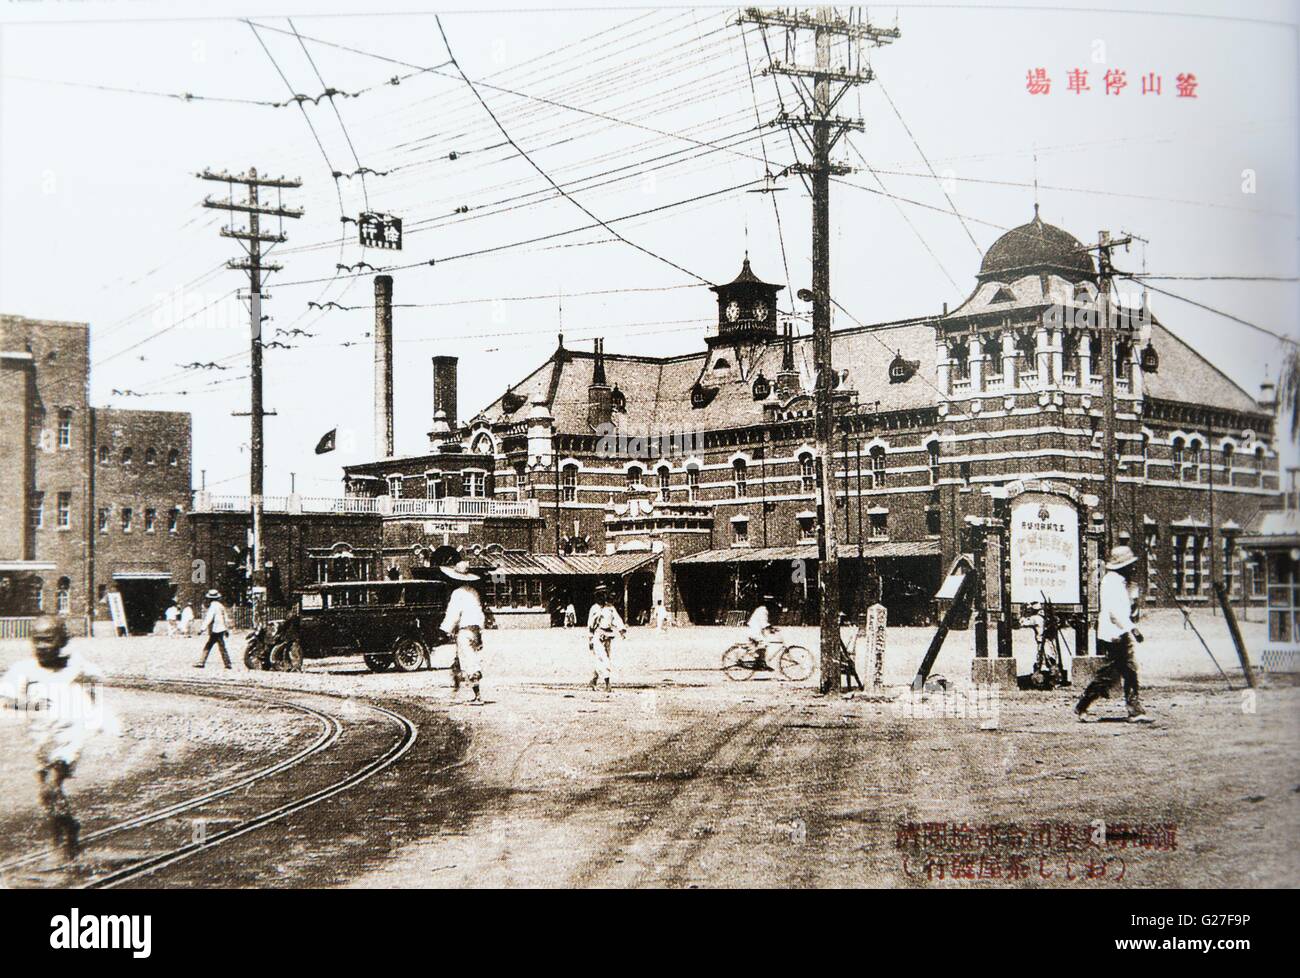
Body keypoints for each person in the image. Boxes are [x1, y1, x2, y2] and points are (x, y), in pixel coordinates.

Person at [0, 617, 112, 860]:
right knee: (47, 793)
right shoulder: (24, 670)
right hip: (41, 739)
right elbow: (5, 697)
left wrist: (91, 704)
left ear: (62, 641)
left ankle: (62, 846)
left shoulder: (74, 666)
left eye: (48, 640)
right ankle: (65, 832)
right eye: (37, 640)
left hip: (69, 738)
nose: (42, 646)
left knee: (53, 784)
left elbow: (98, 679)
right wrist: (27, 703)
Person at [1075, 546, 1152, 723]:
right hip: (1114, 634)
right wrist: (1132, 628)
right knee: (1109, 674)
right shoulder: (1111, 582)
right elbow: (1114, 612)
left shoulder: (1122, 582)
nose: (1133, 568)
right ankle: (1083, 705)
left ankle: (1134, 710)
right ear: (1121, 566)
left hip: (1120, 632)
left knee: (1129, 670)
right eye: (1129, 565)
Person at [440, 560, 486, 705]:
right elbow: (480, 613)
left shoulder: (457, 593)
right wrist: (480, 633)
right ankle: (462, 687)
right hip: (475, 630)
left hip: (464, 631)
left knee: (468, 660)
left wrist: (445, 629)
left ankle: (477, 695)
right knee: (468, 658)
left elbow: (453, 613)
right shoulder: (474, 592)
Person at [587, 587, 626, 691]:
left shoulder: (610, 608)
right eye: (600, 594)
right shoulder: (594, 608)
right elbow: (590, 625)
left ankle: (594, 679)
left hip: (607, 636)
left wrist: (621, 630)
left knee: (604, 658)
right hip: (597, 636)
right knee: (603, 659)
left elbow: (616, 619)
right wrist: (590, 639)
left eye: (604, 594)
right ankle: (607, 683)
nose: (602, 596)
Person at [194, 589, 232, 669]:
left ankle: (202, 662)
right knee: (220, 646)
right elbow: (226, 618)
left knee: (209, 645)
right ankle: (227, 663)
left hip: (216, 629)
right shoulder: (221, 606)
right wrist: (226, 629)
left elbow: (209, 618)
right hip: (221, 629)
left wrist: (202, 629)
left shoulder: (213, 606)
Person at [747, 595, 778, 671]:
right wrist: (771, 628)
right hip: (754, 631)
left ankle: (761, 662)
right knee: (763, 643)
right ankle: (756, 658)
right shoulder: (763, 611)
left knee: (764, 644)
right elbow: (764, 623)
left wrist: (770, 628)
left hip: (755, 630)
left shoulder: (762, 609)